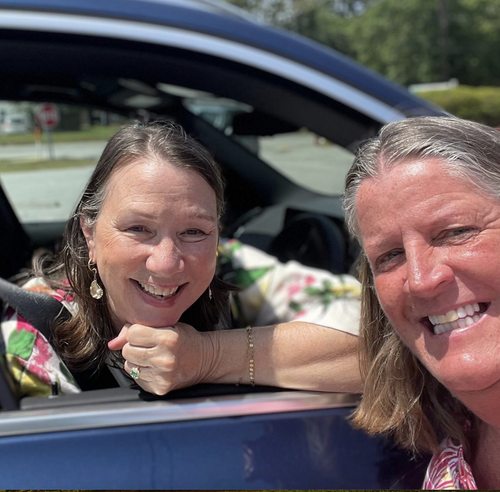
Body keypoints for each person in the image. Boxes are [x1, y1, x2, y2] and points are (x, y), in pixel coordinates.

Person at [2, 121, 361, 398]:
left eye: (193, 232)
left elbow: (382, 336)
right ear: (89, 234)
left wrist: (207, 357)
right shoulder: (32, 333)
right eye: (138, 229)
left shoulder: (232, 268)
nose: (166, 263)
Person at [343, 115, 500, 489]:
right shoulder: (451, 416)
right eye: (391, 256)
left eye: (456, 232)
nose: (421, 280)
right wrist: (210, 356)